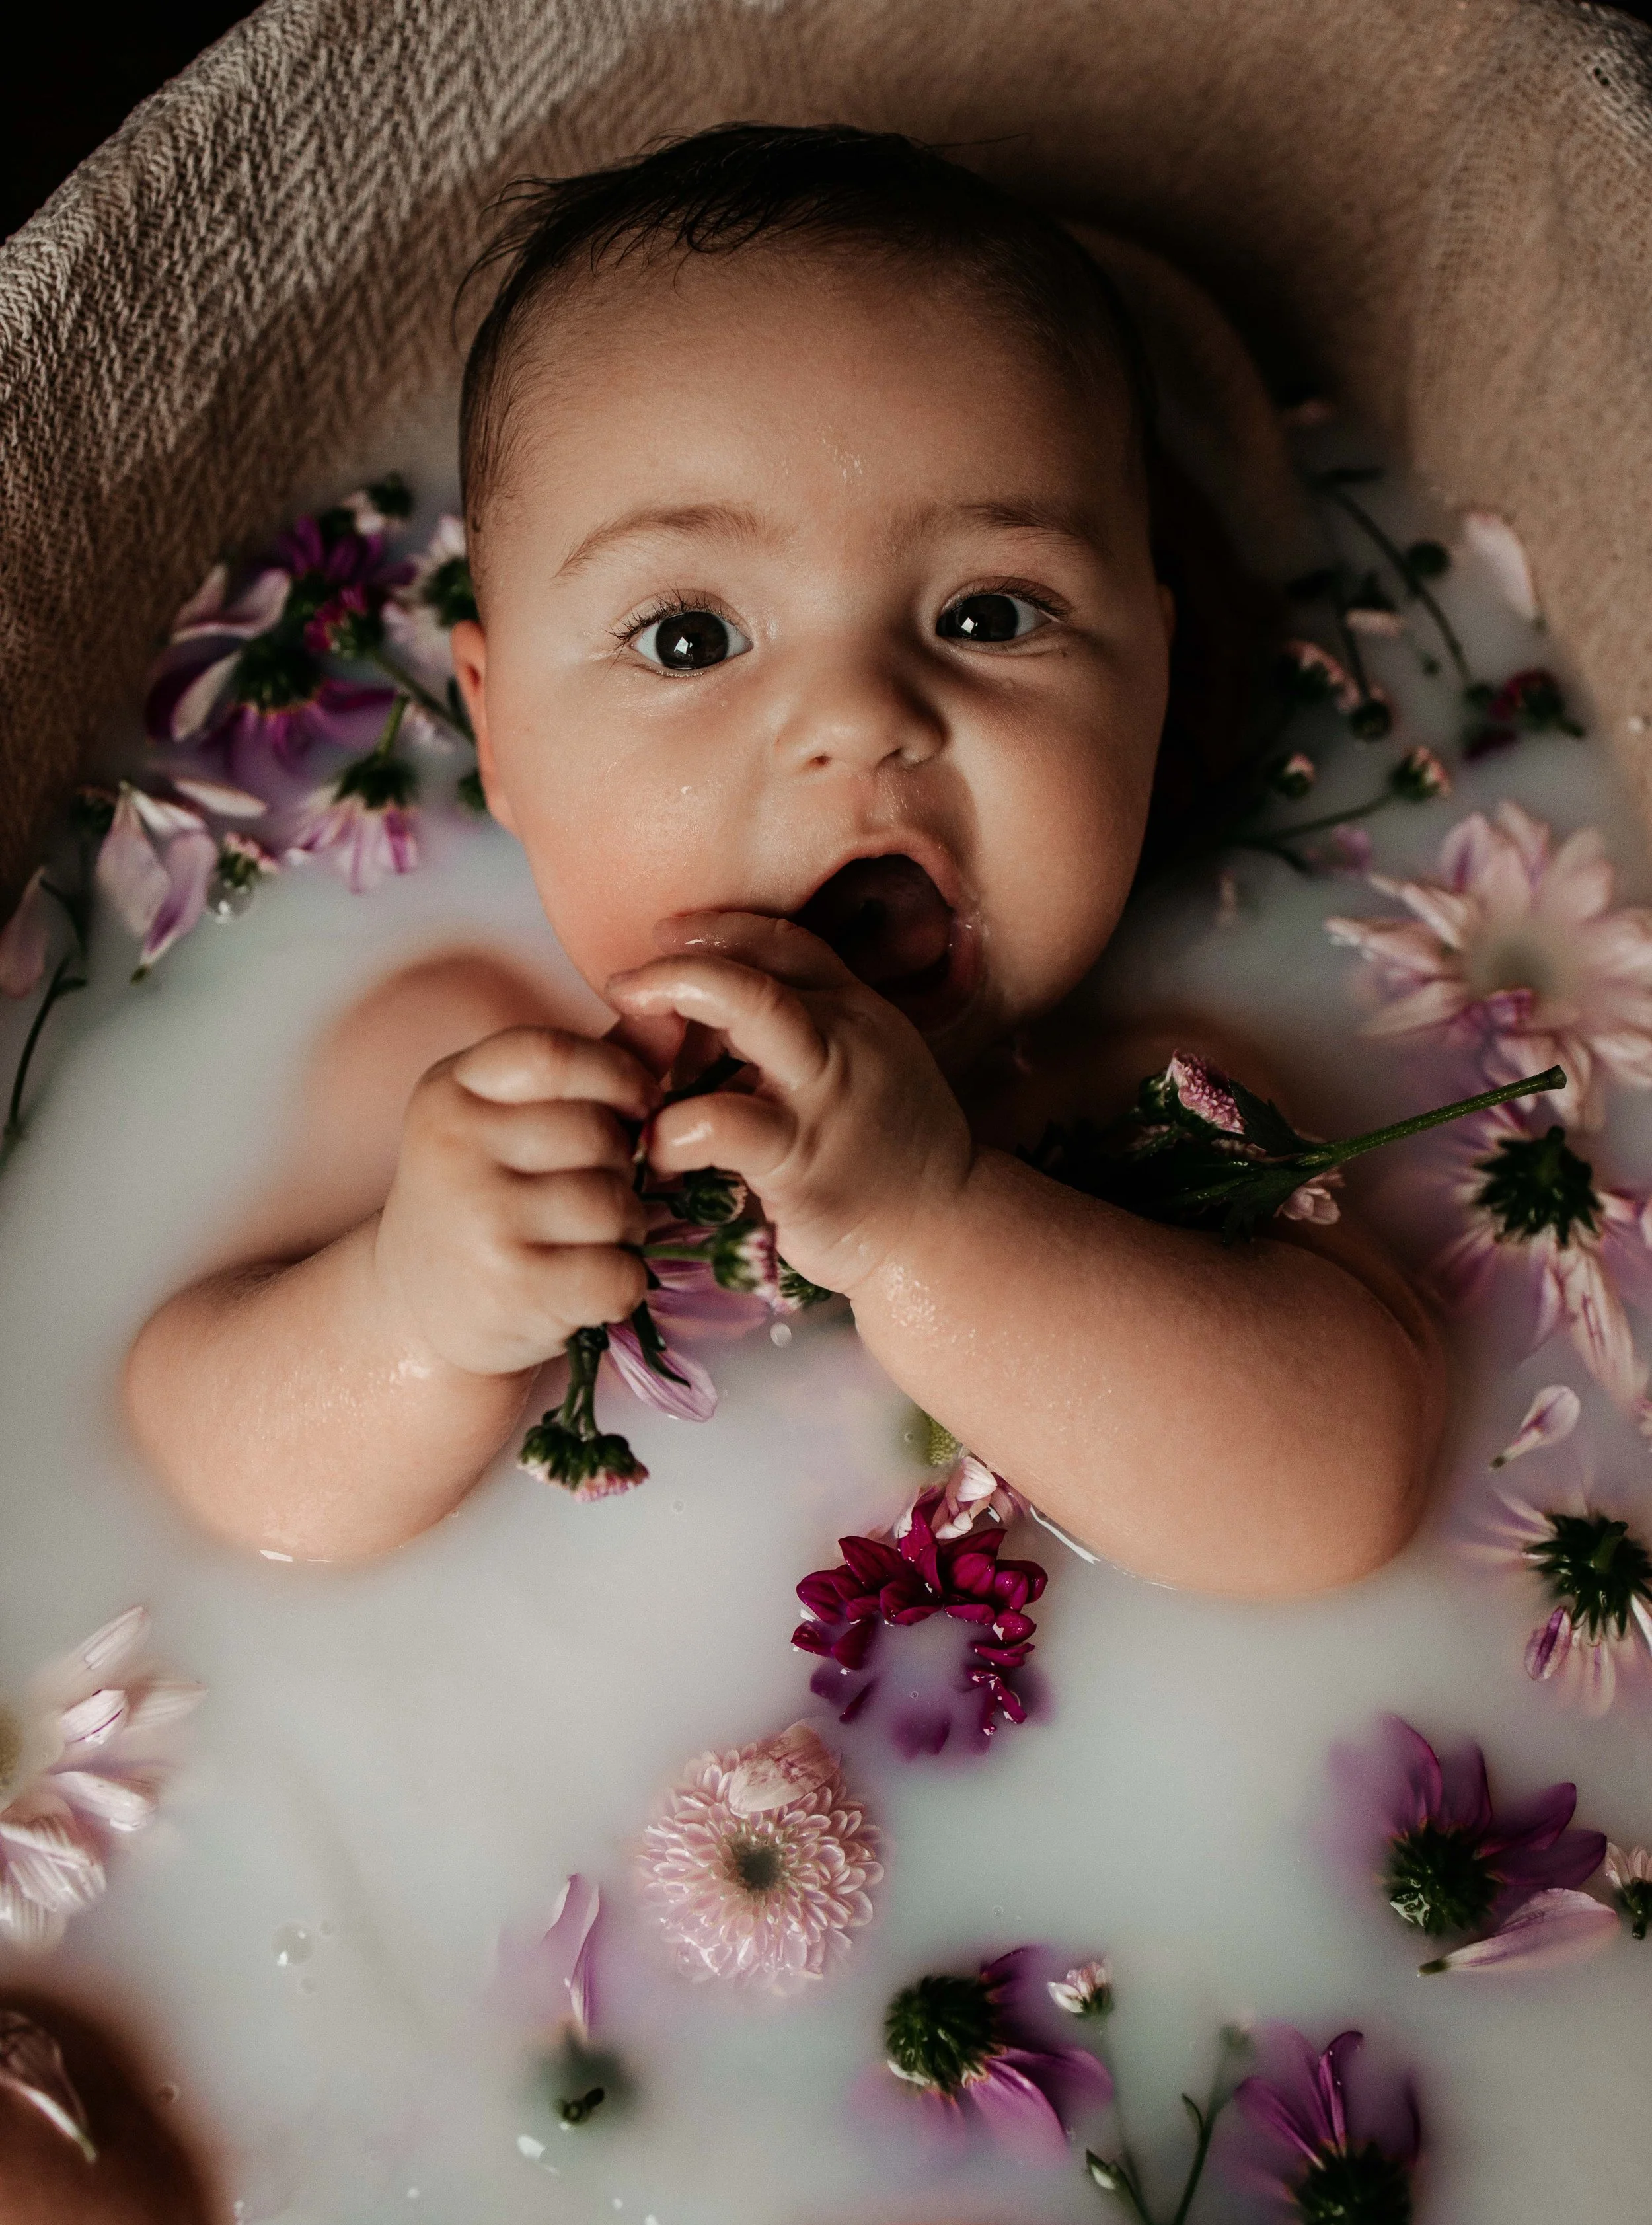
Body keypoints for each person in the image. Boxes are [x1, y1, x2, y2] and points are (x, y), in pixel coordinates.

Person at [124, 123, 1443, 1588]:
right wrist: (407, 1306)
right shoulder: (455, 1061)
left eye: (990, 614)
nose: (858, 718)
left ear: (1149, 680)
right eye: (689, 637)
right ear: (497, 736)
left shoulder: (1134, 1105)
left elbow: (1335, 1500)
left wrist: (934, 1232)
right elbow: (210, 1457)